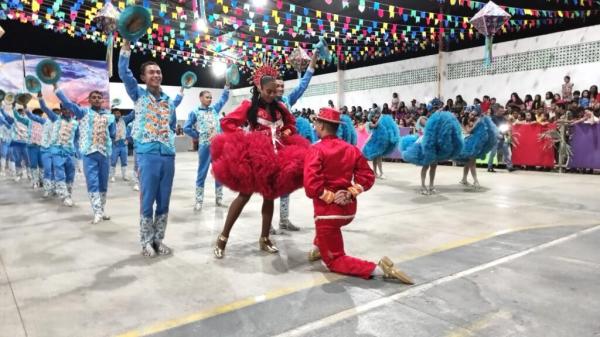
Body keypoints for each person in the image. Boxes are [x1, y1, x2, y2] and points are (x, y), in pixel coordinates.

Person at [210, 61, 310, 259]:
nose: (273, 95)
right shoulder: (249, 106)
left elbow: (291, 123)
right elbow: (227, 122)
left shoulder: (279, 107)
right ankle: (223, 237)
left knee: (270, 196)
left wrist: (285, 132)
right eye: (269, 91)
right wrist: (246, 137)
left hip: (276, 157)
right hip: (256, 158)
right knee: (243, 196)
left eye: (275, 91)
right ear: (259, 88)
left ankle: (265, 238)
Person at [304, 107, 413, 283]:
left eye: (316, 122)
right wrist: (350, 192)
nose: (314, 125)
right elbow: (368, 176)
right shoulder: (351, 149)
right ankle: (319, 246)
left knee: (335, 260)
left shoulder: (316, 149)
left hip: (328, 214)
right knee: (326, 231)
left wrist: (331, 197)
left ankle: (379, 269)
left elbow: (311, 187)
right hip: (348, 211)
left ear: (322, 125)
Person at [119, 39, 179, 257]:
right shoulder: (138, 95)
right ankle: (145, 241)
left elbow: (172, 125)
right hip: (146, 154)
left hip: (168, 155)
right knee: (147, 200)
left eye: (158, 72)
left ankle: (158, 240)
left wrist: (168, 142)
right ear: (143, 77)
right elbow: (124, 73)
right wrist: (126, 46)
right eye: (151, 72)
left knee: (164, 200)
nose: (156, 75)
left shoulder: (169, 102)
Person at [54, 83, 116, 224]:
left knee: (103, 184)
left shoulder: (110, 116)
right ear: (89, 100)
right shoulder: (84, 112)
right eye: (93, 97)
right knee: (93, 183)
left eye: (98, 97)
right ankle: (96, 212)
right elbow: (68, 104)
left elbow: (112, 133)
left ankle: (101, 210)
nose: (96, 99)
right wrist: (57, 89)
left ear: (102, 100)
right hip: (89, 154)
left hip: (105, 153)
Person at [273, 50, 318, 232]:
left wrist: (313, 58)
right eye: (278, 86)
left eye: (283, 86)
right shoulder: (265, 102)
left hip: (287, 147)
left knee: (287, 183)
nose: (282, 89)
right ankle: (266, 224)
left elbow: (303, 85)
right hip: (271, 148)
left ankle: (284, 220)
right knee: (270, 185)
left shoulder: (287, 100)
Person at [183, 83, 231, 212]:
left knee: (219, 173)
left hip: (218, 147)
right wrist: (197, 135)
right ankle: (199, 201)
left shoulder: (215, 109)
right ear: (200, 98)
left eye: (210, 97)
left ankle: (219, 199)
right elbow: (186, 127)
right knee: (202, 173)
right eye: (207, 97)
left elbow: (223, 99)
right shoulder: (195, 112)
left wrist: (226, 87)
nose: (210, 99)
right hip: (205, 147)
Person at [401, 99, 463, 195]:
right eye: (433, 109)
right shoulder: (422, 118)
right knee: (426, 165)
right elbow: (428, 126)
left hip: (434, 143)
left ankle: (431, 185)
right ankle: (422, 186)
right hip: (424, 143)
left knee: (434, 166)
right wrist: (437, 117)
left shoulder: (433, 120)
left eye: (436, 109)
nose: (435, 111)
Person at [455, 110, 498, 189]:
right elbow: (468, 131)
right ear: (468, 114)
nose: (473, 116)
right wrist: (476, 124)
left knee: (468, 163)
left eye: (475, 115)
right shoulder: (465, 121)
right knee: (472, 163)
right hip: (467, 143)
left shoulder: (476, 121)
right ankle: (476, 181)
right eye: (472, 114)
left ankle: (464, 179)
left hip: (472, 143)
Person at [362, 107, 399, 179]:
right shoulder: (369, 123)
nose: (376, 119)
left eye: (377, 118)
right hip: (373, 143)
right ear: (371, 118)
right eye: (375, 118)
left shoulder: (378, 123)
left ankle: (378, 172)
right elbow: (374, 126)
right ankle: (378, 172)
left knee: (378, 158)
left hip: (377, 143)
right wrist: (380, 117)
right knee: (376, 159)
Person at [36, 93, 59, 198]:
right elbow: (43, 108)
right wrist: (40, 97)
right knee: (48, 169)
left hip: (56, 150)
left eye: (59, 113)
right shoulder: (44, 121)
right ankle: (47, 189)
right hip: (45, 149)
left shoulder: (61, 122)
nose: (57, 115)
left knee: (55, 170)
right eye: (55, 113)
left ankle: (54, 189)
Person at [1, 104, 30, 182]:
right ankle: (18, 174)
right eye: (19, 112)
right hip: (16, 142)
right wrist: (2, 107)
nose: (21, 113)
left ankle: (30, 174)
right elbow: (5, 115)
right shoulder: (14, 120)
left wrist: (25, 107)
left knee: (27, 159)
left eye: (22, 112)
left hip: (25, 143)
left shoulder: (28, 120)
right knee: (17, 159)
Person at [487, 104, 514, 173]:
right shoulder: (493, 118)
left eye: (502, 111)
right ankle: (490, 166)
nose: (502, 112)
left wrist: (508, 134)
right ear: (497, 111)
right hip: (494, 138)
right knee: (493, 153)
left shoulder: (504, 118)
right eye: (501, 111)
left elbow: (507, 127)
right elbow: (490, 128)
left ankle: (509, 166)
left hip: (502, 137)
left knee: (506, 152)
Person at [109, 108, 130, 183]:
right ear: (112, 114)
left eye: (118, 113)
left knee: (124, 161)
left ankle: (124, 176)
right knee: (113, 161)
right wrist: (111, 140)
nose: (117, 114)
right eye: (115, 113)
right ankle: (112, 176)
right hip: (115, 144)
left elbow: (131, 115)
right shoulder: (110, 121)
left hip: (123, 144)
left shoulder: (124, 119)